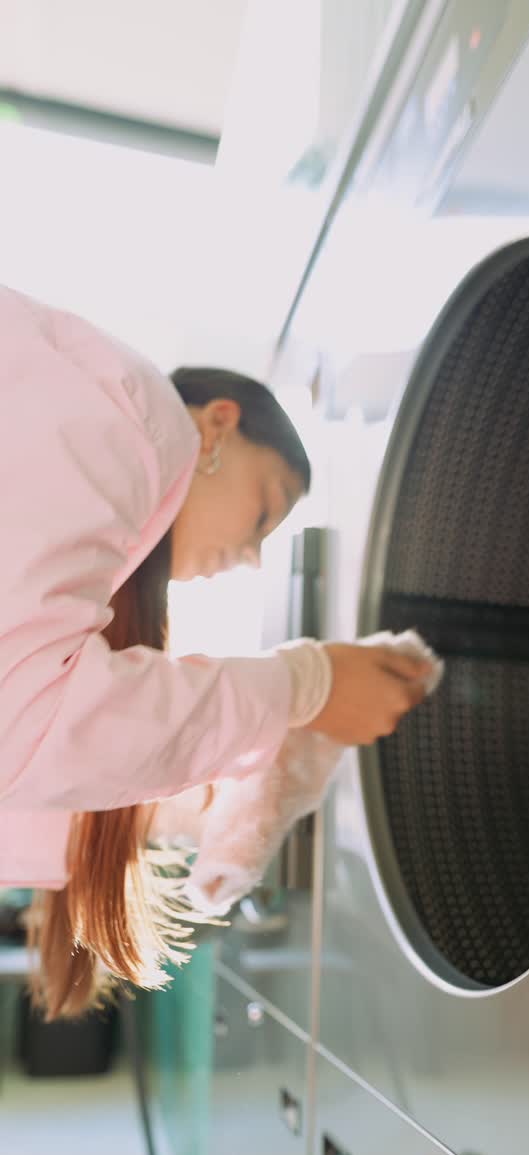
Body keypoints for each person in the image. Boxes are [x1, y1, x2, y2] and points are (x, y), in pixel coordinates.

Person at [0, 285, 432, 1017]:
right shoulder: (131, 418)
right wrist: (304, 683)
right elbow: (26, 724)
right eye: (265, 510)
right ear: (218, 427)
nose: (254, 558)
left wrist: (177, 805)